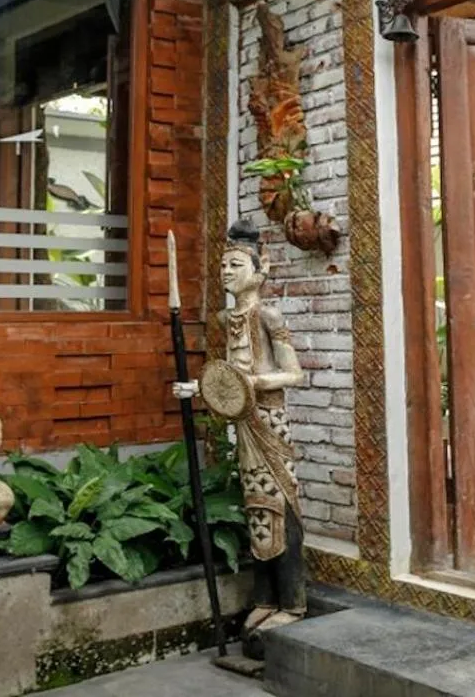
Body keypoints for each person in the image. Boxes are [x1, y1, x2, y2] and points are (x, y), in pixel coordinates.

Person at [174, 221, 306, 652]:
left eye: (234, 264)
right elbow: (225, 381)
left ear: (259, 269)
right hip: (244, 426)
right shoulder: (225, 318)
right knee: (256, 510)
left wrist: (250, 381)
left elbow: (294, 373)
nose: (226, 272)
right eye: (222, 265)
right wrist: (195, 388)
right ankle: (265, 597)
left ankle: (293, 601)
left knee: (279, 508)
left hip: (270, 424)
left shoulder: (269, 315)